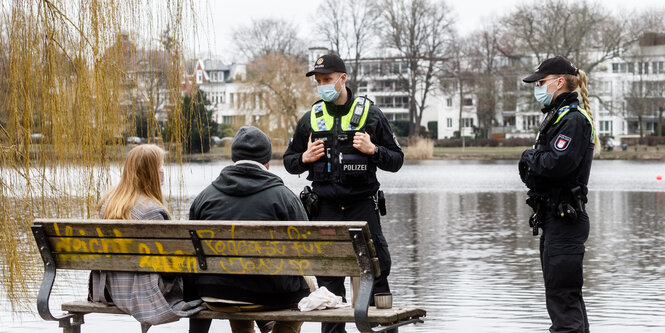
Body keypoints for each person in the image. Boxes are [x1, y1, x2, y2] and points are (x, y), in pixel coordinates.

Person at [283, 54, 404, 333]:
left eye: (327, 80)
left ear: (342, 79)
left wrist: (373, 150)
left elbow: (397, 160)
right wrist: (305, 157)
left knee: (376, 273)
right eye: (318, 81)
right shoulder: (310, 118)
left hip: (362, 207)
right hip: (324, 208)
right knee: (328, 282)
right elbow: (289, 162)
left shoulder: (371, 115)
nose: (322, 85)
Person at [188, 126, 311, 333]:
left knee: (234, 278)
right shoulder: (284, 198)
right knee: (309, 285)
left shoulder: (204, 197)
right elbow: (307, 250)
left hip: (213, 294)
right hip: (268, 295)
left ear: (233, 157)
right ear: (267, 162)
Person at [519, 56, 597, 333]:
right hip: (555, 218)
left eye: (541, 82)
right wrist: (533, 162)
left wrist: (528, 156)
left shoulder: (573, 120)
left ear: (559, 82)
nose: (537, 88)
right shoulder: (558, 117)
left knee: (563, 302)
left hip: (566, 219)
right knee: (565, 299)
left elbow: (555, 165)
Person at [89, 144, 205, 329]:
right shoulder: (151, 211)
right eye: (160, 166)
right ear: (150, 172)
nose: (163, 172)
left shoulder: (109, 202)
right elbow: (167, 266)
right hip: (143, 291)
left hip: (110, 288)